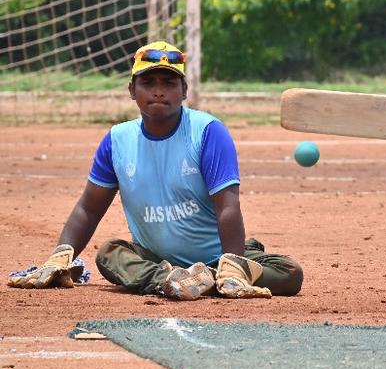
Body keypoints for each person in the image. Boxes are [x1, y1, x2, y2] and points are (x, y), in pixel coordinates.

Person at [8, 41, 303, 300]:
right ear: (132, 89)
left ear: (184, 90)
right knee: (110, 252)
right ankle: (170, 281)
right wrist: (60, 256)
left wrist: (234, 265)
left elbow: (228, 206)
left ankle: (217, 278)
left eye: (169, 83)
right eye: (149, 83)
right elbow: (88, 208)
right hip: (155, 260)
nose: (159, 92)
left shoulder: (208, 131)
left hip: (216, 257)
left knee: (289, 272)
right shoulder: (117, 140)